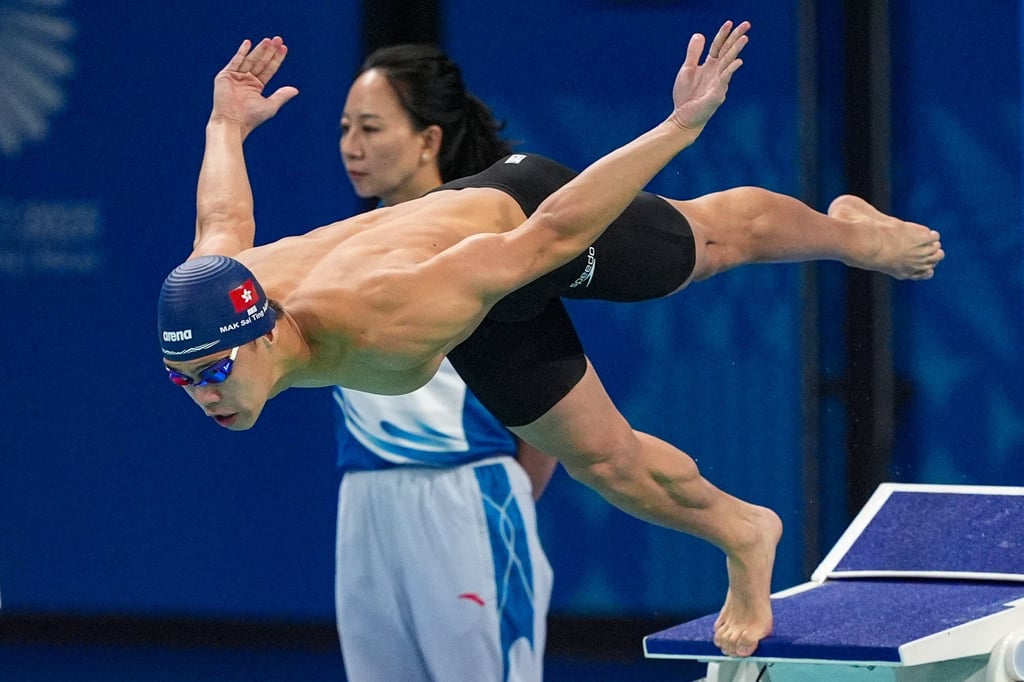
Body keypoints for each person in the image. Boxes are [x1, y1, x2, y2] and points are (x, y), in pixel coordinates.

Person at [157, 21, 944, 658]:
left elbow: (553, 233)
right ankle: (745, 531)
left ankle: (853, 234)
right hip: (474, 301)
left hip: (517, 221)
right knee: (605, 462)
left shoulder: (394, 307)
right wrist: (226, 121)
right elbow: (221, 223)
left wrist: (679, 126)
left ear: (260, 333)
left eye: (215, 370)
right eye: (184, 379)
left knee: (709, 245)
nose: (204, 395)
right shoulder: (217, 284)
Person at [332, 44, 554, 681]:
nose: (352, 144)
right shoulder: (339, 246)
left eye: (371, 128)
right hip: (364, 501)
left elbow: (558, 397)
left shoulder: (483, 244)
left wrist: (501, 497)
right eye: (345, 128)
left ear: (427, 139)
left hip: (467, 496)